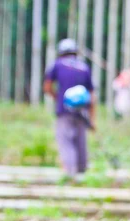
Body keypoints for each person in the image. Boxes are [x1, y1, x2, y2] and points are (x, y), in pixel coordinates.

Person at [43, 39, 96, 178]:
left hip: (64, 110)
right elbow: (92, 95)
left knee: (65, 141)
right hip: (82, 112)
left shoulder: (57, 65)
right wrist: (92, 119)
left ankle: (69, 173)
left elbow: (47, 86)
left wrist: (57, 97)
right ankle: (82, 172)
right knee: (81, 142)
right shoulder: (84, 67)